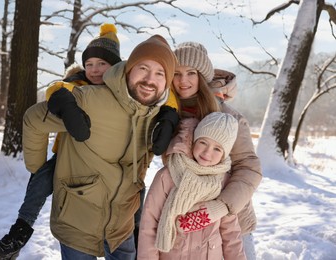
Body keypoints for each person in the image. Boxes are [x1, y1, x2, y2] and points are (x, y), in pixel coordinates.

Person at [21, 34, 178, 259]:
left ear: (166, 83)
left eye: (160, 73)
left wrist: (171, 117)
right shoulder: (92, 100)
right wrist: (38, 169)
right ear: (128, 69)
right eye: (143, 68)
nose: (149, 79)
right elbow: (33, 119)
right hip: (77, 224)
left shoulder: (158, 117)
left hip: (121, 227)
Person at [0, 23, 123, 259]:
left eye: (102, 64)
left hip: (103, 163)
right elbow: (59, 90)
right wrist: (59, 95)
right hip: (67, 157)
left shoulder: (121, 91)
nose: (95, 69)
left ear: (116, 67)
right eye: (89, 64)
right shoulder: (78, 85)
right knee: (39, 182)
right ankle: (19, 232)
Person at [170, 41, 262, 259]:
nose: (183, 81)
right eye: (176, 73)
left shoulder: (229, 118)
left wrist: (222, 207)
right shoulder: (169, 114)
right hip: (187, 222)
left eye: (191, 73)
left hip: (232, 222)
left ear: (203, 76)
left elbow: (249, 168)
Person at [138, 112, 246, 259]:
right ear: (194, 140)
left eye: (217, 149)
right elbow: (149, 226)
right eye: (203, 142)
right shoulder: (168, 176)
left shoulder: (224, 182)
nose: (207, 152)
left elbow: (231, 233)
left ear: (224, 154)